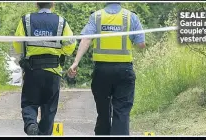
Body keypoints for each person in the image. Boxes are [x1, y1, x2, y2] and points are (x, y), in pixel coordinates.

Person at [67, 2, 146, 135]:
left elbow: (86, 39)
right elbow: (141, 44)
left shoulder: (96, 17)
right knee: (121, 112)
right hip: (124, 70)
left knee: (103, 112)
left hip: (101, 71)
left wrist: (76, 62)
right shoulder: (130, 17)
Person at [12, 2, 76, 135]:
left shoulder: (26, 20)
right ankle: (44, 133)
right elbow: (70, 46)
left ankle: (31, 124)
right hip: (53, 72)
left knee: (29, 103)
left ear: (37, 4)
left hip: (32, 71)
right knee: (49, 108)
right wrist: (61, 51)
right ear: (52, 4)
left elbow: (18, 45)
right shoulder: (61, 21)